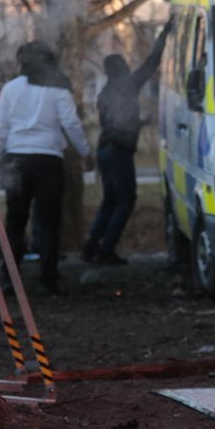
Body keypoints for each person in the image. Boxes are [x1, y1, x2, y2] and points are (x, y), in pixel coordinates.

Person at [0, 41, 90, 294]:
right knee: (49, 221)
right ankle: (48, 279)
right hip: (48, 160)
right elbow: (71, 124)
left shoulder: (10, 89)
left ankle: (10, 278)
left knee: (15, 220)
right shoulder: (58, 90)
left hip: (17, 160)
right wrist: (86, 152)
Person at [83, 20, 172, 265]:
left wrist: (140, 122)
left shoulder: (105, 94)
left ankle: (91, 247)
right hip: (119, 152)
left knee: (110, 200)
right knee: (126, 200)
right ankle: (106, 250)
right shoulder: (128, 85)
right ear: (122, 69)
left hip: (104, 149)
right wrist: (163, 33)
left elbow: (114, 124)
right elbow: (151, 63)